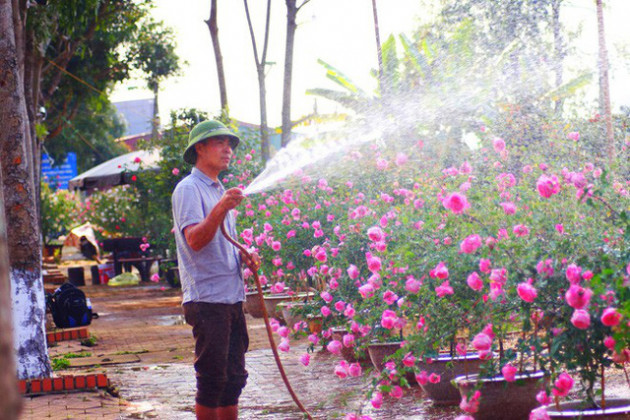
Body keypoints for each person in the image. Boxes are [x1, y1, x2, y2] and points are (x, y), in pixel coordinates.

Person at [171, 120, 258, 420]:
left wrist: (244, 256)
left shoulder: (219, 189)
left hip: (231, 297)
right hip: (207, 299)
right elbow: (194, 240)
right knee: (212, 381)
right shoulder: (188, 189)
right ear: (200, 148)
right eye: (220, 142)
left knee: (233, 380)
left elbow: (220, 242)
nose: (228, 149)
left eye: (230, 144)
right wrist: (221, 207)